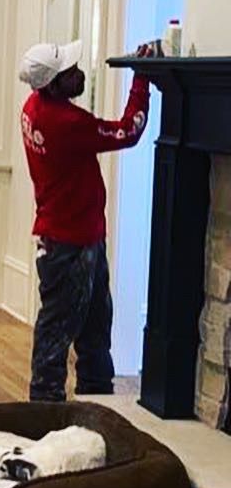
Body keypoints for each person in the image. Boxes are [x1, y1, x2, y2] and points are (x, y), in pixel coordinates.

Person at [18, 38, 153, 402]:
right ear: (52, 85)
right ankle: (45, 408)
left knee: (92, 327)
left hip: (75, 237)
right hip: (71, 244)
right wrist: (141, 79)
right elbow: (129, 131)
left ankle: (96, 400)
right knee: (57, 333)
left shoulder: (32, 108)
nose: (80, 74)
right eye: (70, 72)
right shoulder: (66, 122)